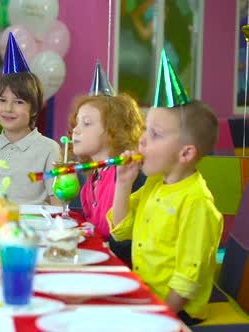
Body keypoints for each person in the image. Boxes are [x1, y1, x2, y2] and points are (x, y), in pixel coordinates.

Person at [108, 53, 223, 325]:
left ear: (185, 153)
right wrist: (123, 183)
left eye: (155, 135)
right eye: (145, 130)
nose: (142, 141)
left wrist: (157, 318)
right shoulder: (154, 184)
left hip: (175, 310)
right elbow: (120, 229)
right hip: (147, 296)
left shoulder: (196, 202)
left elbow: (187, 280)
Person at [68, 62, 145, 262]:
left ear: (113, 131)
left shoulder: (128, 174)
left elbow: (123, 246)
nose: (75, 130)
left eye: (86, 123)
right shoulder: (93, 176)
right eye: (76, 122)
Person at [0, 33, 61, 205]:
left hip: (35, 229)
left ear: (34, 108)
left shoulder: (49, 149)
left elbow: (56, 201)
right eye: (2, 100)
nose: (8, 109)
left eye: (18, 102)